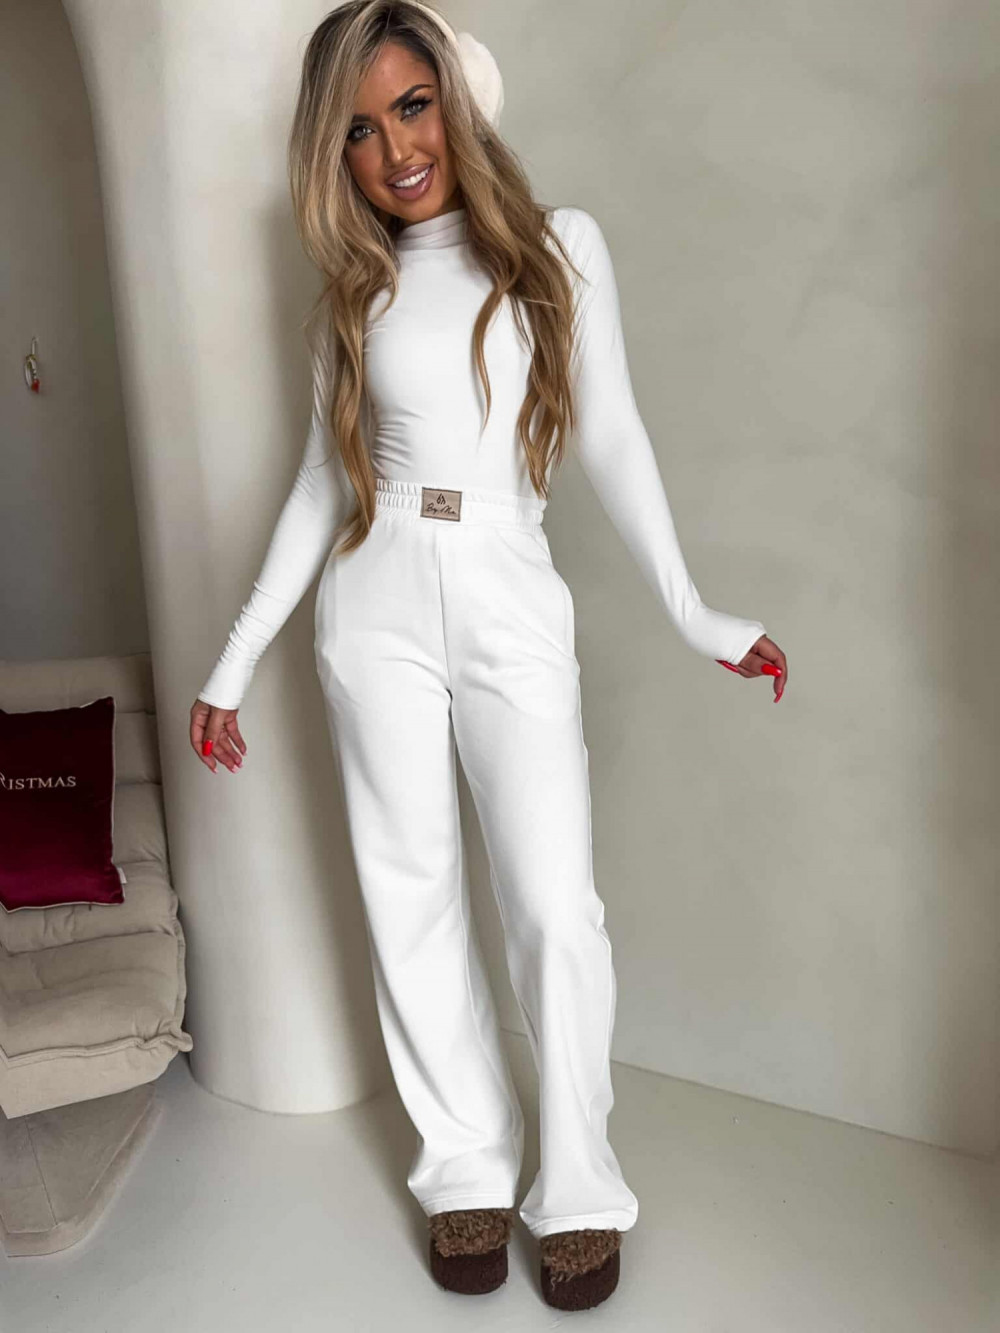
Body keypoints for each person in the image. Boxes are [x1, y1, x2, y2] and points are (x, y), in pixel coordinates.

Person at [190, 0, 788, 1311]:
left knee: (554, 906)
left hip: (511, 585)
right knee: (409, 894)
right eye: (359, 130)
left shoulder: (562, 249)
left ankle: (578, 1190)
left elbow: (611, 434)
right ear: (333, 155)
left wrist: (694, 609)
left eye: (412, 106)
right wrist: (232, 663)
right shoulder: (354, 296)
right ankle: (462, 1165)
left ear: (457, 101)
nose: (396, 148)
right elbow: (318, 483)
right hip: (375, 601)